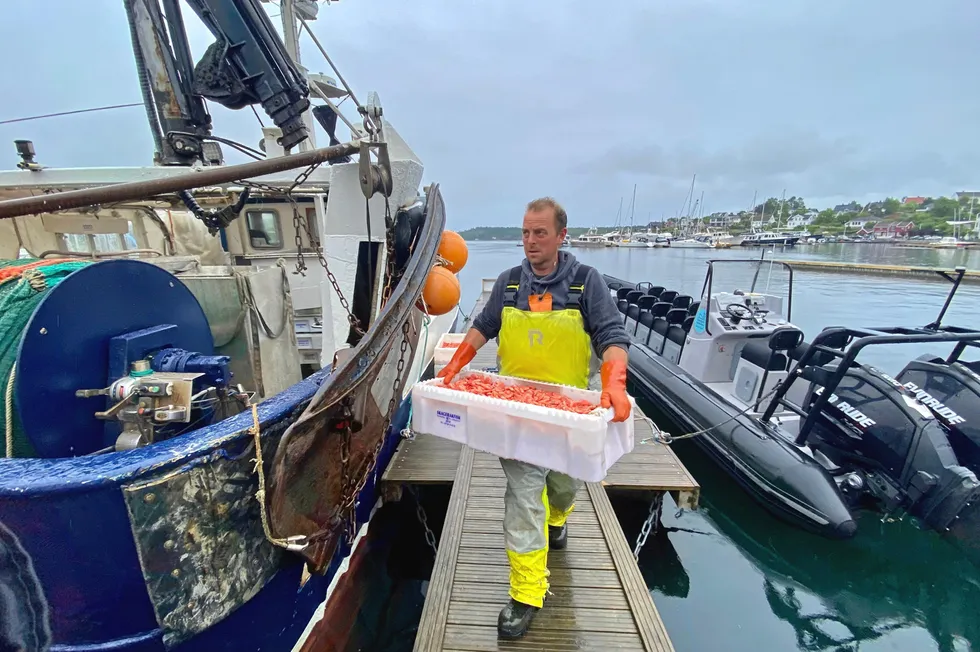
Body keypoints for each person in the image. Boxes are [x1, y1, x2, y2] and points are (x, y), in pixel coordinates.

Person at [437, 197, 631, 639]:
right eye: (525, 232)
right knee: (524, 497)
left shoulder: (586, 282)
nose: (529, 242)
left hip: (568, 416)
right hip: (516, 412)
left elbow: (612, 334)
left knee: (562, 487)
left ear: (562, 236)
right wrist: (456, 364)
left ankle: (560, 518)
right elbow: (483, 325)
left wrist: (614, 380)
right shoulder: (508, 284)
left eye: (539, 233)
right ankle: (525, 593)